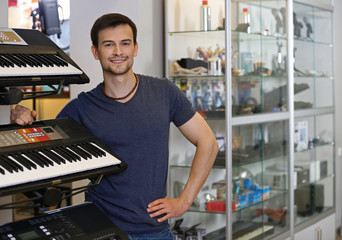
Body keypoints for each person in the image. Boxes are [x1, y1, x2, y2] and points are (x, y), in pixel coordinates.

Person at [11, 13, 218, 239]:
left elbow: (207, 142)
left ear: (135, 48)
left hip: (153, 229)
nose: (118, 52)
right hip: (100, 226)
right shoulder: (81, 108)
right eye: (109, 45)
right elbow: (39, 145)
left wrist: (184, 201)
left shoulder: (164, 92)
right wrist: (23, 118)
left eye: (125, 43)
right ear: (95, 52)